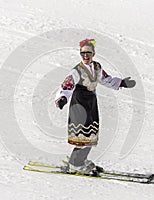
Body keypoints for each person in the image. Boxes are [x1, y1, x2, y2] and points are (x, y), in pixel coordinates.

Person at [55, 38, 136, 174]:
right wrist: (62, 98)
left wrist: (121, 83)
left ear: (93, 54)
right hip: (79, 103)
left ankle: (81, 159)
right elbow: (67, 85)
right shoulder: (77, 70)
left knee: (91, 133)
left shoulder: (97, 67)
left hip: (91, 102)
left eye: (88, 53)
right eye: (82, 53)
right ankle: (75, 163)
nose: (85, 56)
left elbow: (105, 79)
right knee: (82, 134)